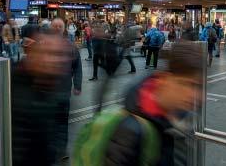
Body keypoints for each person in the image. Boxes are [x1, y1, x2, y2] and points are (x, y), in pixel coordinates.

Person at [73, 42, 202, 166]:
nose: (193, 95)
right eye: (185, 84)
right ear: (164, 79)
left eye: (197, 86)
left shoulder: (178, 118)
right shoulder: (131, 130)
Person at [12, 30, 82, 166]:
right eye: (50, 53)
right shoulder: (9, 85)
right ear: (34, 53)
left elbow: (59, 127)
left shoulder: (56, 86)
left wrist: (57, 152)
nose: (56, 60)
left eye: (60, 55)